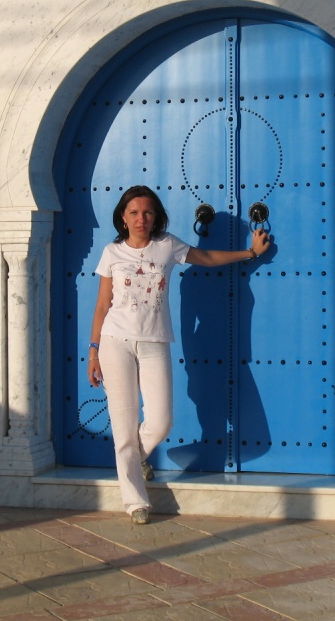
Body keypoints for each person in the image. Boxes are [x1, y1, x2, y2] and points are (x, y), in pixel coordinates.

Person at [87, 185, 272, 524]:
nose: (141, 219)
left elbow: (207, 258)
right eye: (134, 213)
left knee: (161, 422)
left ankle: (136, 458)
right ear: (123, 218)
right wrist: (93, 350)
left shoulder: (167, 245)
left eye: (147, 212)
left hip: (154, 342)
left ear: (155, 216)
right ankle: (136, 503)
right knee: (124, 427)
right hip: (115, 342)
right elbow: (102, 305)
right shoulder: (112, 252)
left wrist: (250, 252)